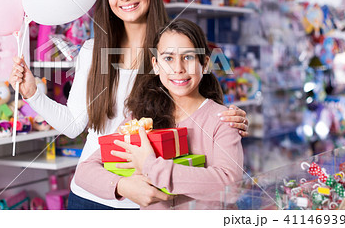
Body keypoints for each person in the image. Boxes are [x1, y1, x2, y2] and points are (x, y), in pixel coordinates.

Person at [9, 0, 248, 210]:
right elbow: (74, 125)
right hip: (92, 193)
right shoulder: (92, 50)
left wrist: (230, 119)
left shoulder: (173, 48)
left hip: (150, 200)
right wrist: (33, 95)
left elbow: (199, 112)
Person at [74, 19, 244, 209]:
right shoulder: (141, 120)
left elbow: (230, 184)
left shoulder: (223, 119)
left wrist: (150, 166)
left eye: (188, 57)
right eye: (168, 58)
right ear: (156, 64)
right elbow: (85, 170)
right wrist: (123, 186)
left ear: (204, 64)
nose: (178, 68)